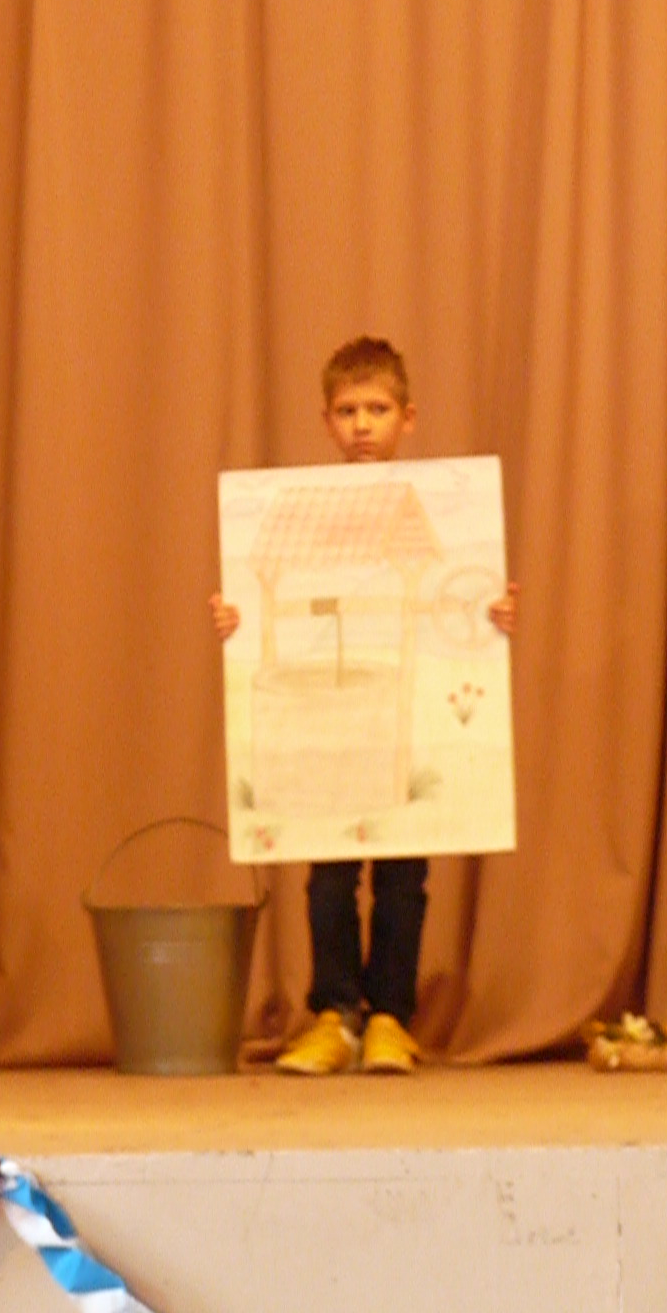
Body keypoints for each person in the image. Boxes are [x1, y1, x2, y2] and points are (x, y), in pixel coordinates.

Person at [211, 336, 516, 1075]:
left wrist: (492, 612)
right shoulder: (295, 509)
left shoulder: (441, 510)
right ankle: (335, 1013)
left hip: (398, 712)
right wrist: (236, 619)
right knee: (329, 876)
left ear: (407, 417)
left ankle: (389, 1016)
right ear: (327, 421)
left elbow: (454, 595)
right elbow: (262, 593)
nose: (362, 425)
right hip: (326, 723)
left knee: (404, 876)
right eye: (347, 411)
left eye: (377, 409)